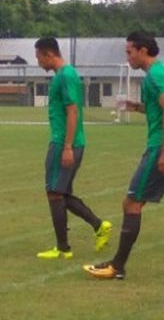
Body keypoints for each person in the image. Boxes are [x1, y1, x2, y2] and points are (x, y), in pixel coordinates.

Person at [84, 31, 164, 282]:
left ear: (143, 50)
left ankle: (117, 266)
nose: (128, 56)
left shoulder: (154, 77)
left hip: (163, 149)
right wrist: (138, 107)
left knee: (132, 203)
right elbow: (163, 108)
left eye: (129, 51)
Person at [34, 37, 112, 259]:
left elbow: (72, 111)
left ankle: (63, 248)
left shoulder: (66, 75)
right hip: (63, 140)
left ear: (49, 54)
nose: (38, 61)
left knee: (55, 193)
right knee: (59, 192)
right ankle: (98, 226)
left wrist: (67, 146)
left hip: (64, 142)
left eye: (39, 56)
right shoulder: (62, 75)